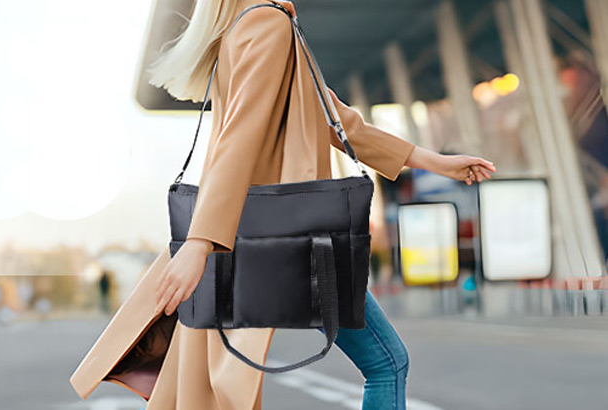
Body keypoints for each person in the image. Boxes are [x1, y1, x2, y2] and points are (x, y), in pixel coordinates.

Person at [146, 0, 496, 409]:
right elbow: (238, 139)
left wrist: (433, 162)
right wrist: (200, 242)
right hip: (290, 234)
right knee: (386, 363)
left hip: (247, 232)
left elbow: (335, 118)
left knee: (220, 389)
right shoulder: (267, 22)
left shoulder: (245, 26)